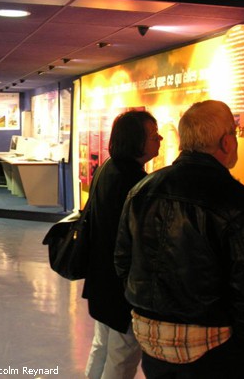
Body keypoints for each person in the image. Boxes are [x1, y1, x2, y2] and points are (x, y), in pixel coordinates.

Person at [114, 100, 244, 378]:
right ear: (226, 142)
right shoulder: (235, 198)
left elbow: (123, 260)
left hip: (150, 337)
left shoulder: (141, 190)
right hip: (211, 343)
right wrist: (241, 345)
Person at [82, 110, 163, 379]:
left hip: (102, 280)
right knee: (122, 357)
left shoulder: (108, 167)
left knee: (103, 347)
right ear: (135, 140)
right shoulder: (136, 183)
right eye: (153, 135)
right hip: (122, 289)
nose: (159, 138)